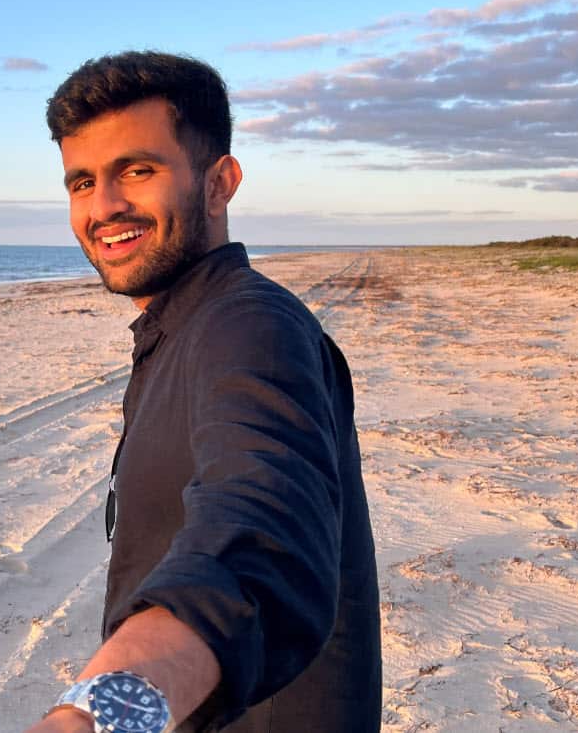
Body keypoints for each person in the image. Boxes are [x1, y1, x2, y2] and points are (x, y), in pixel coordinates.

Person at [25, 51, 381, 733]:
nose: (104, 206)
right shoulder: (177, 328)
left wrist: (95, 716)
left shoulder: (248, 325)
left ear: (220, 183)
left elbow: (261, 518)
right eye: (82, 182)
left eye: (137, 170)